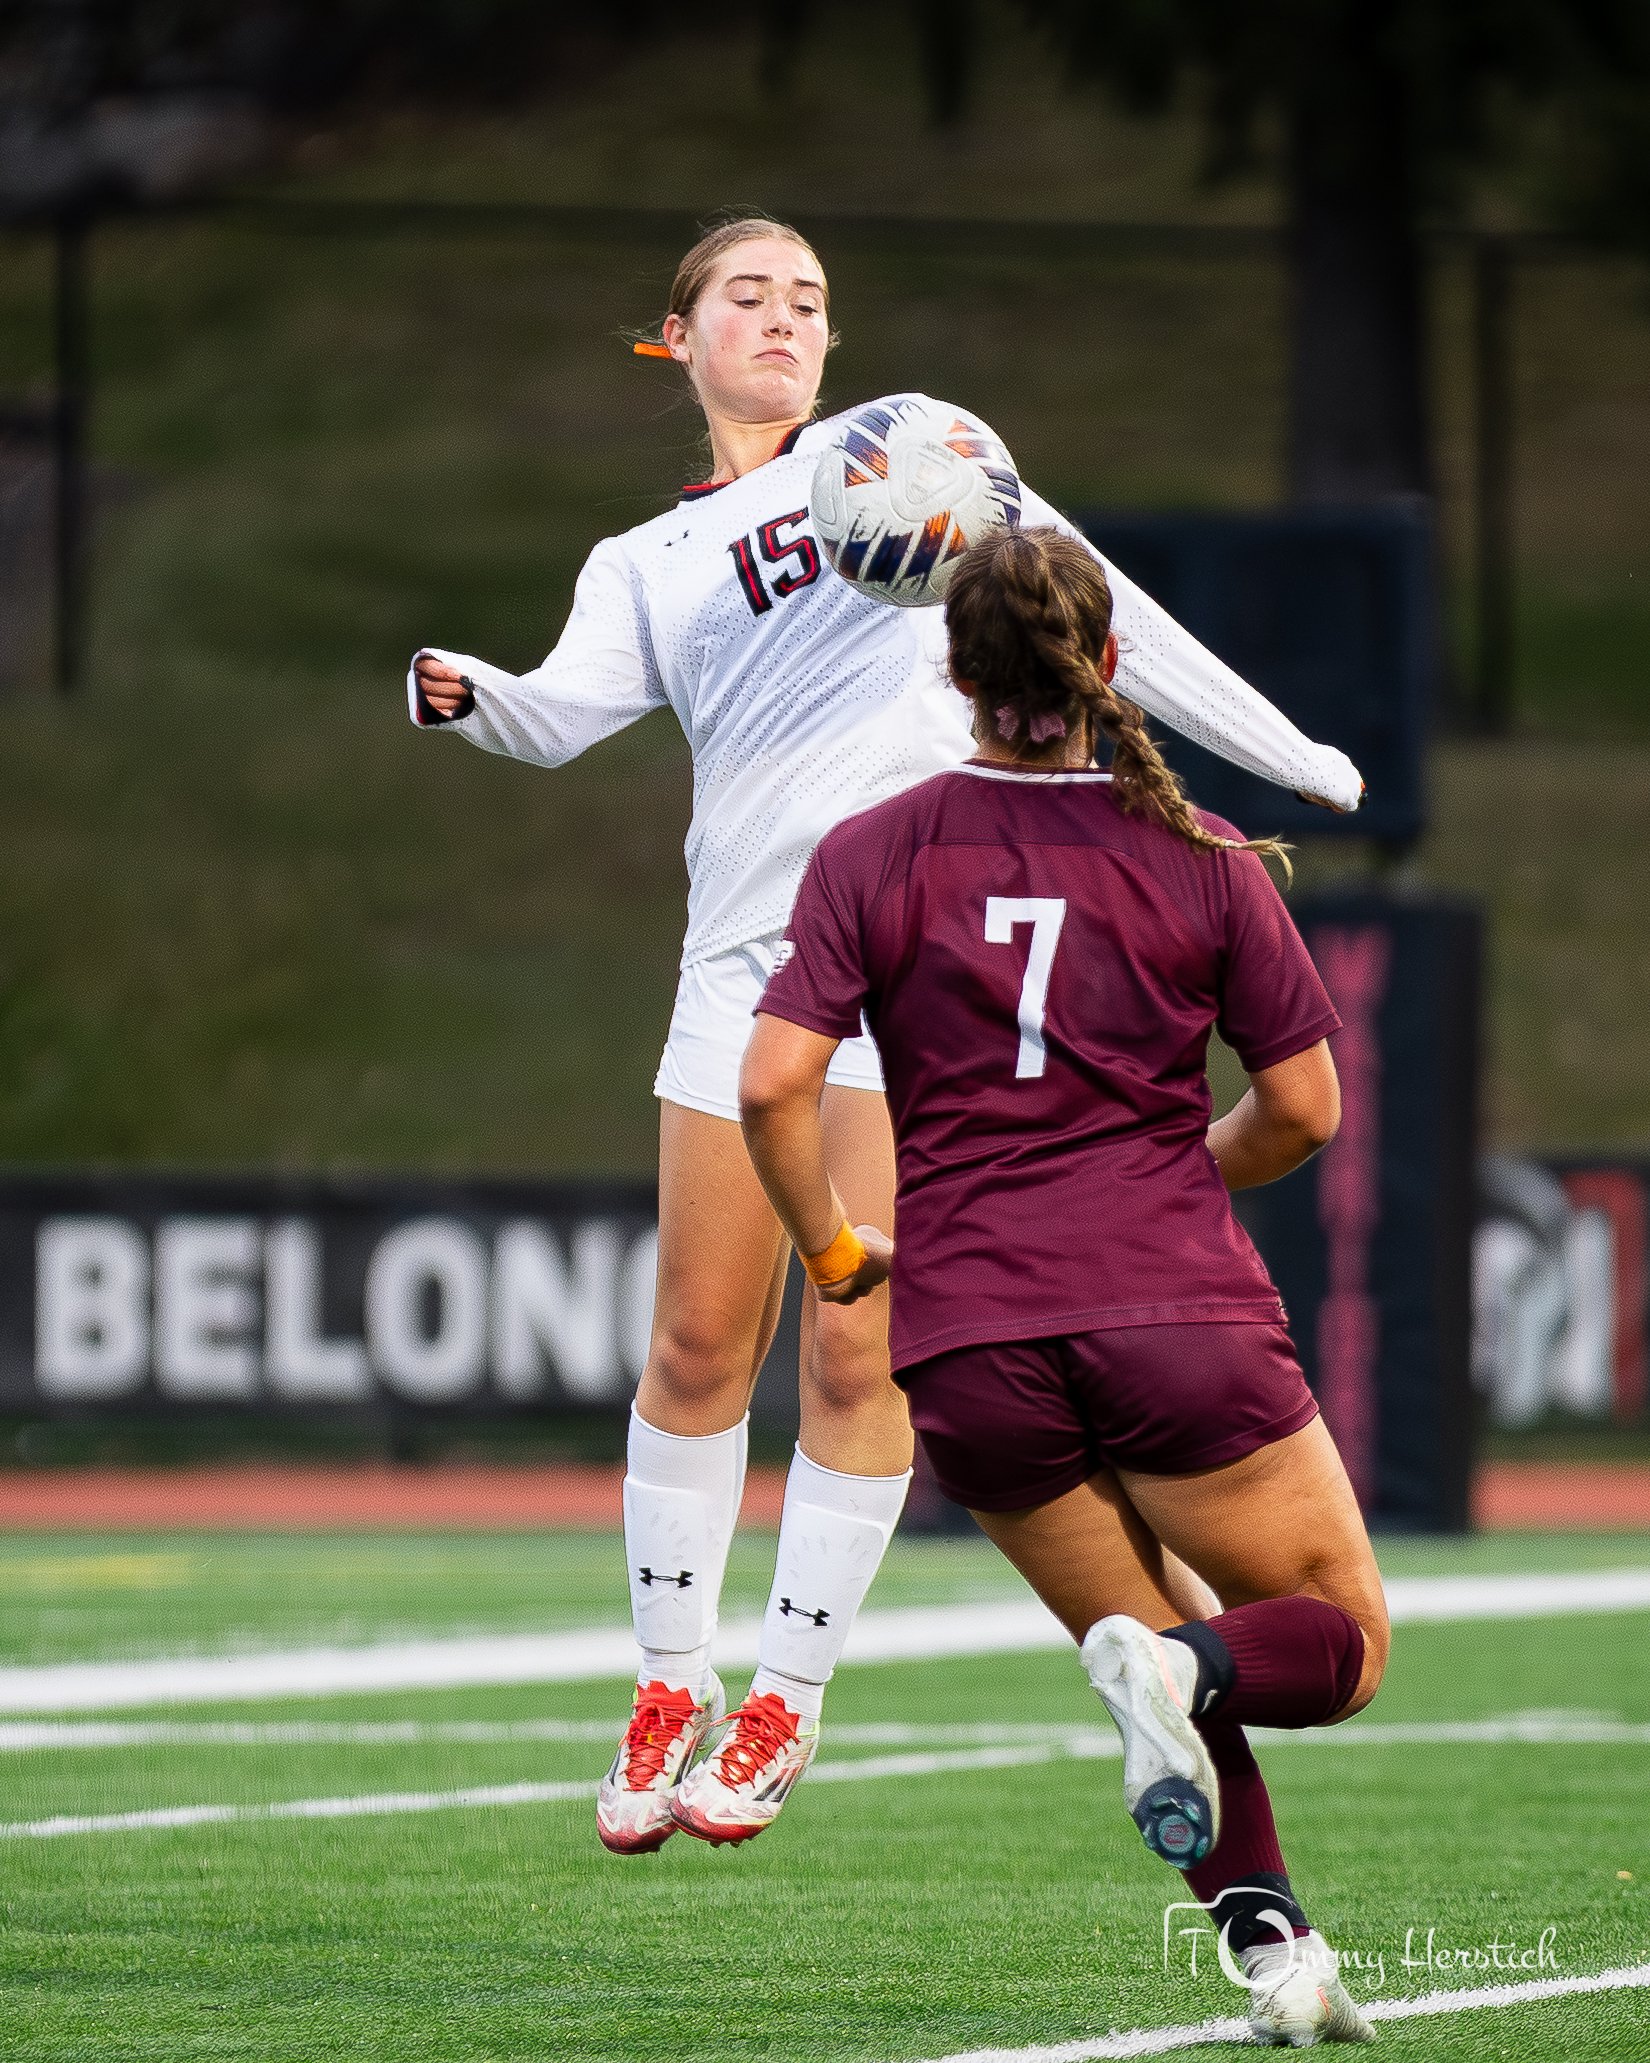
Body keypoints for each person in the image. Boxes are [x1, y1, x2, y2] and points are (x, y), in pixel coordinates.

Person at [407, 214, 1367, 1858]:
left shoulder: (920, 450)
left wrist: (1295, 760)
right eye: (747, 299)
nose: (783, 321)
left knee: (857, 1353)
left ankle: (786, 1696)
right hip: (741, 962)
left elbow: (1107, 610)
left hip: (906, 964)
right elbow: (562, 716)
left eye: (808, 301)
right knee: (698, 1345)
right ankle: (666, 1678)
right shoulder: (643, 558)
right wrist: (470, 691)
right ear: (678, 338)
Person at [739, 526, 1386, 2045]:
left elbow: (775, 1087)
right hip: (1171, 1313)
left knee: (1155, 1673)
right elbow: (1302, 1113)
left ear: (952, 674)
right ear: (1109, 669)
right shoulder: (1201, 856)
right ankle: (1168, 1665)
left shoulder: (872, 849)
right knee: (1325, 1646)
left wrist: (836, 1252)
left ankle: (1278, 1957)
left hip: (964, 1343)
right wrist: (1166, 1182)